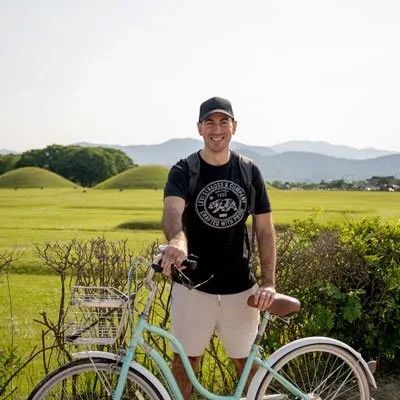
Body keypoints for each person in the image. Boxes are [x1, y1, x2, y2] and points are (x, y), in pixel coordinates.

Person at [161, 96, 276, 399]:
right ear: (199, 128)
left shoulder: (249, 171)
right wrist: (177, 239)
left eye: (223, 121)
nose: (217, 128)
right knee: (185, 364)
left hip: (240, 286)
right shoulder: (185, 170)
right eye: (209, 122)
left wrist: (268, 283)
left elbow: (264, 230)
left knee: (245, 365)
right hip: (192, 285)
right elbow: (173, 213)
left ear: (234, 127)